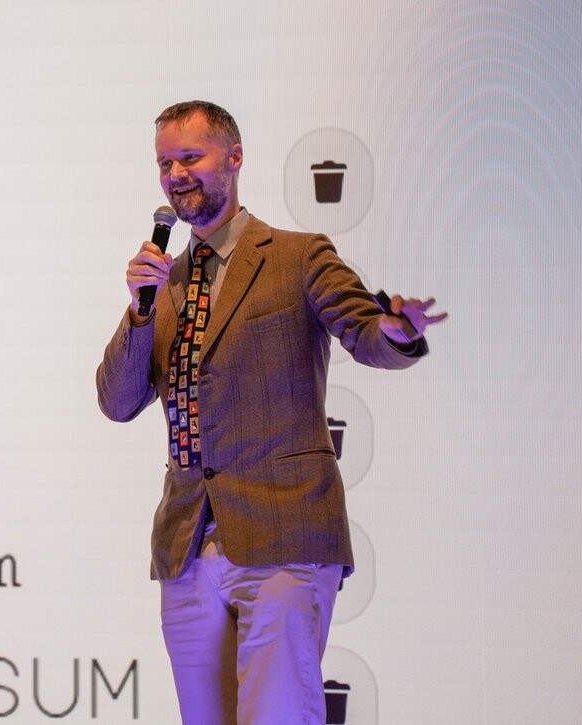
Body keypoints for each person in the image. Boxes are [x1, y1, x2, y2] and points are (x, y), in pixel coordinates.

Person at [95, 100, 447, 724]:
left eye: (190, 157)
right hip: (186, 543)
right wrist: (140, 310)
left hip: (285, 532)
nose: (176, 175)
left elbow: (365, 333)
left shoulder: (297, 255)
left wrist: (398, 330)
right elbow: (117, 402)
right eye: (165, 163)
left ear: (234, 158)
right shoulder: (163, 283)